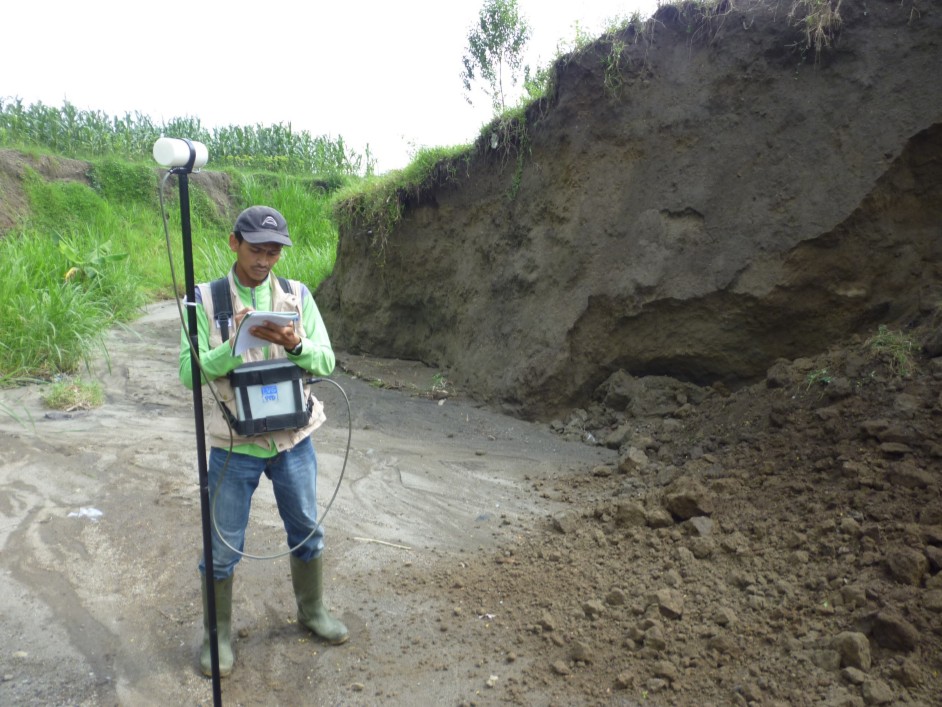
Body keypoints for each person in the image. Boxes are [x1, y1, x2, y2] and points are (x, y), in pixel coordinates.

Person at [179, 205, 347, 678]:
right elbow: (186, 371)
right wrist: (231, 351)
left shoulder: (297, 295)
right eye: (256, 250)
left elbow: (327, 362)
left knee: (308, 531)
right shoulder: (205, 300)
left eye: (274, 252)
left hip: (293, 440)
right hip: (234, 445)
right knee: (222, 547)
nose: (265, 260)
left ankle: (312, 612)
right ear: (234, 242)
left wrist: (295, 345)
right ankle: (218, 636)